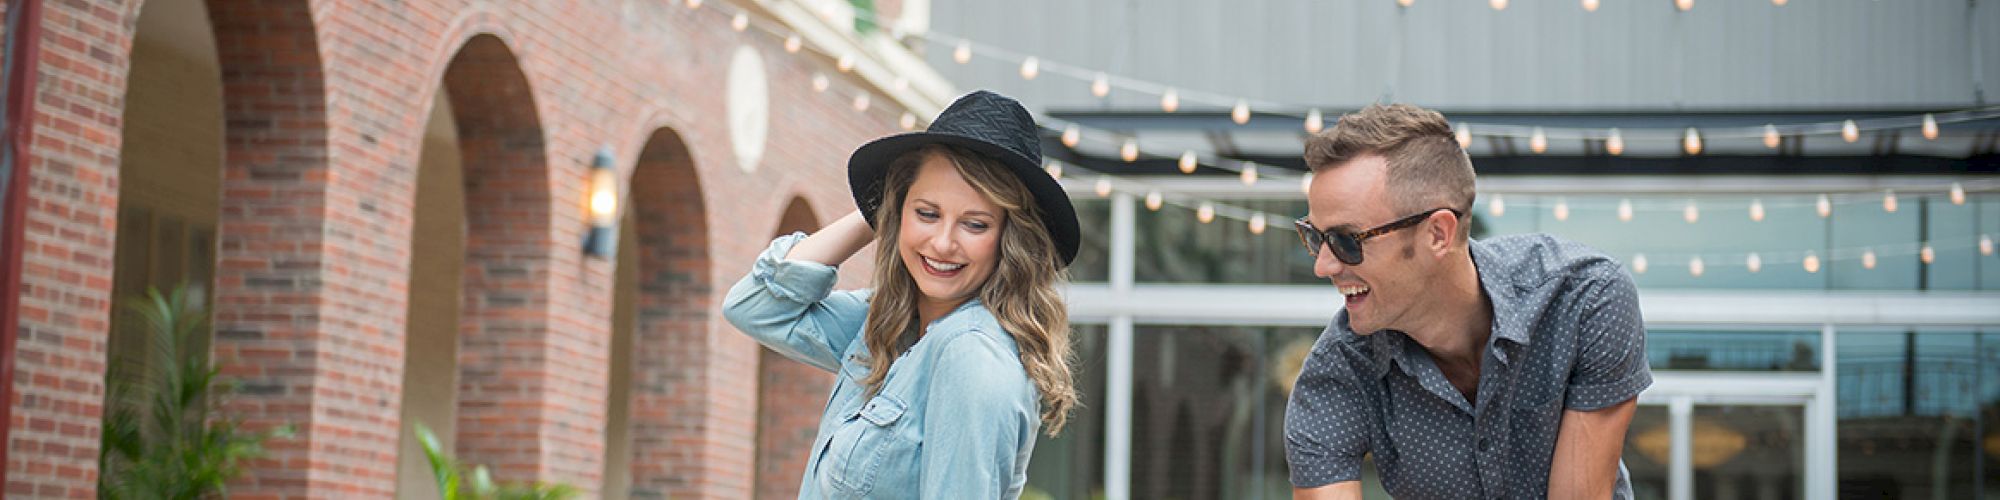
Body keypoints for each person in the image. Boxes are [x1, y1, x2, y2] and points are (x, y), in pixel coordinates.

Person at [722, 90, 1081, 499]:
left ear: (1010, 239)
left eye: (975, 224)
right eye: (927, 213)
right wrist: (884, 205)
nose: (943, 243)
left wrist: (909, 205)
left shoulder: (971, 355)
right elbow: (754, 306)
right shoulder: (889, 322)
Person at [1284, 104, 1651, 500]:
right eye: (1315, 238)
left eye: (1346, 241)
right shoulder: (1336, 374)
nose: (1323, 266)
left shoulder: (1584, 298)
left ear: (1439, 233)